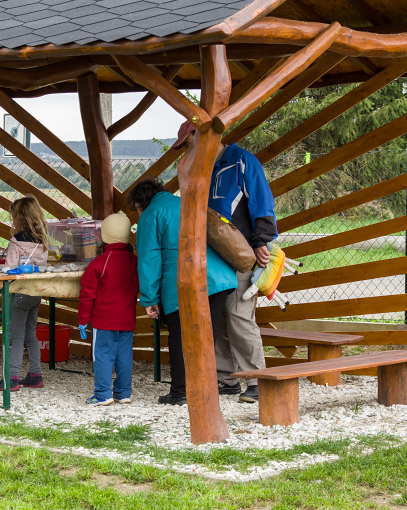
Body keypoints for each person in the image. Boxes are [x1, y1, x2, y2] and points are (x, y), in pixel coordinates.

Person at [128, 178, 237, 406]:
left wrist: (149, 298)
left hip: (184, 281)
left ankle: (180, 392)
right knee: (206, 337)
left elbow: (149, 261)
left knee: (179, 337)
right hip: (218, 277)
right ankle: (205, 391)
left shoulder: (150, 214)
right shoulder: (188, 203)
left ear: (140, 204)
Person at [208, 133, 278, 405]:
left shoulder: (242, 160)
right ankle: (226, 379)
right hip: (212, 255)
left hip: (240, 253)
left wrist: (261, 241)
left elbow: (261, 200)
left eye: (189, 143)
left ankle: (257, 380)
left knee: (239, 314)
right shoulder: (202, 167)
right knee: (218, 316)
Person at [0, 195, 48, 392]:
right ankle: (35, 375)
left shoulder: (16, 241)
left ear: (19, 218)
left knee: (15, 336)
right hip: (35, 292)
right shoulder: (42, 241)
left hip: (18, 293)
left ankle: (11, 378)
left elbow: (10, 269)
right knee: (31, 334)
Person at [77, 213, 139, 405]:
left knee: (103, 355)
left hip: (104, 321)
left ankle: (103, 393)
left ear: (103, 235)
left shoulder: (99, 263)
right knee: (124, 356)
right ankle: (124, 392)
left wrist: (83, 320)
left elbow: (87, 295)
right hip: (127, 319)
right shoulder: (135, 261)